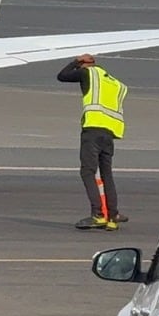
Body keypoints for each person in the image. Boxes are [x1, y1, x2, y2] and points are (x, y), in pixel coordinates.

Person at [57, 54, 128, 230]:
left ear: (84, 65)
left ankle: (97, 214)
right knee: (106, 175)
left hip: (93, 130)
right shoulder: (116, 84)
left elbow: (62, 76)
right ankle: (113, 216)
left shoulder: (88, 74)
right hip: (110, 133)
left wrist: (75, 61)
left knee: (87, 172)